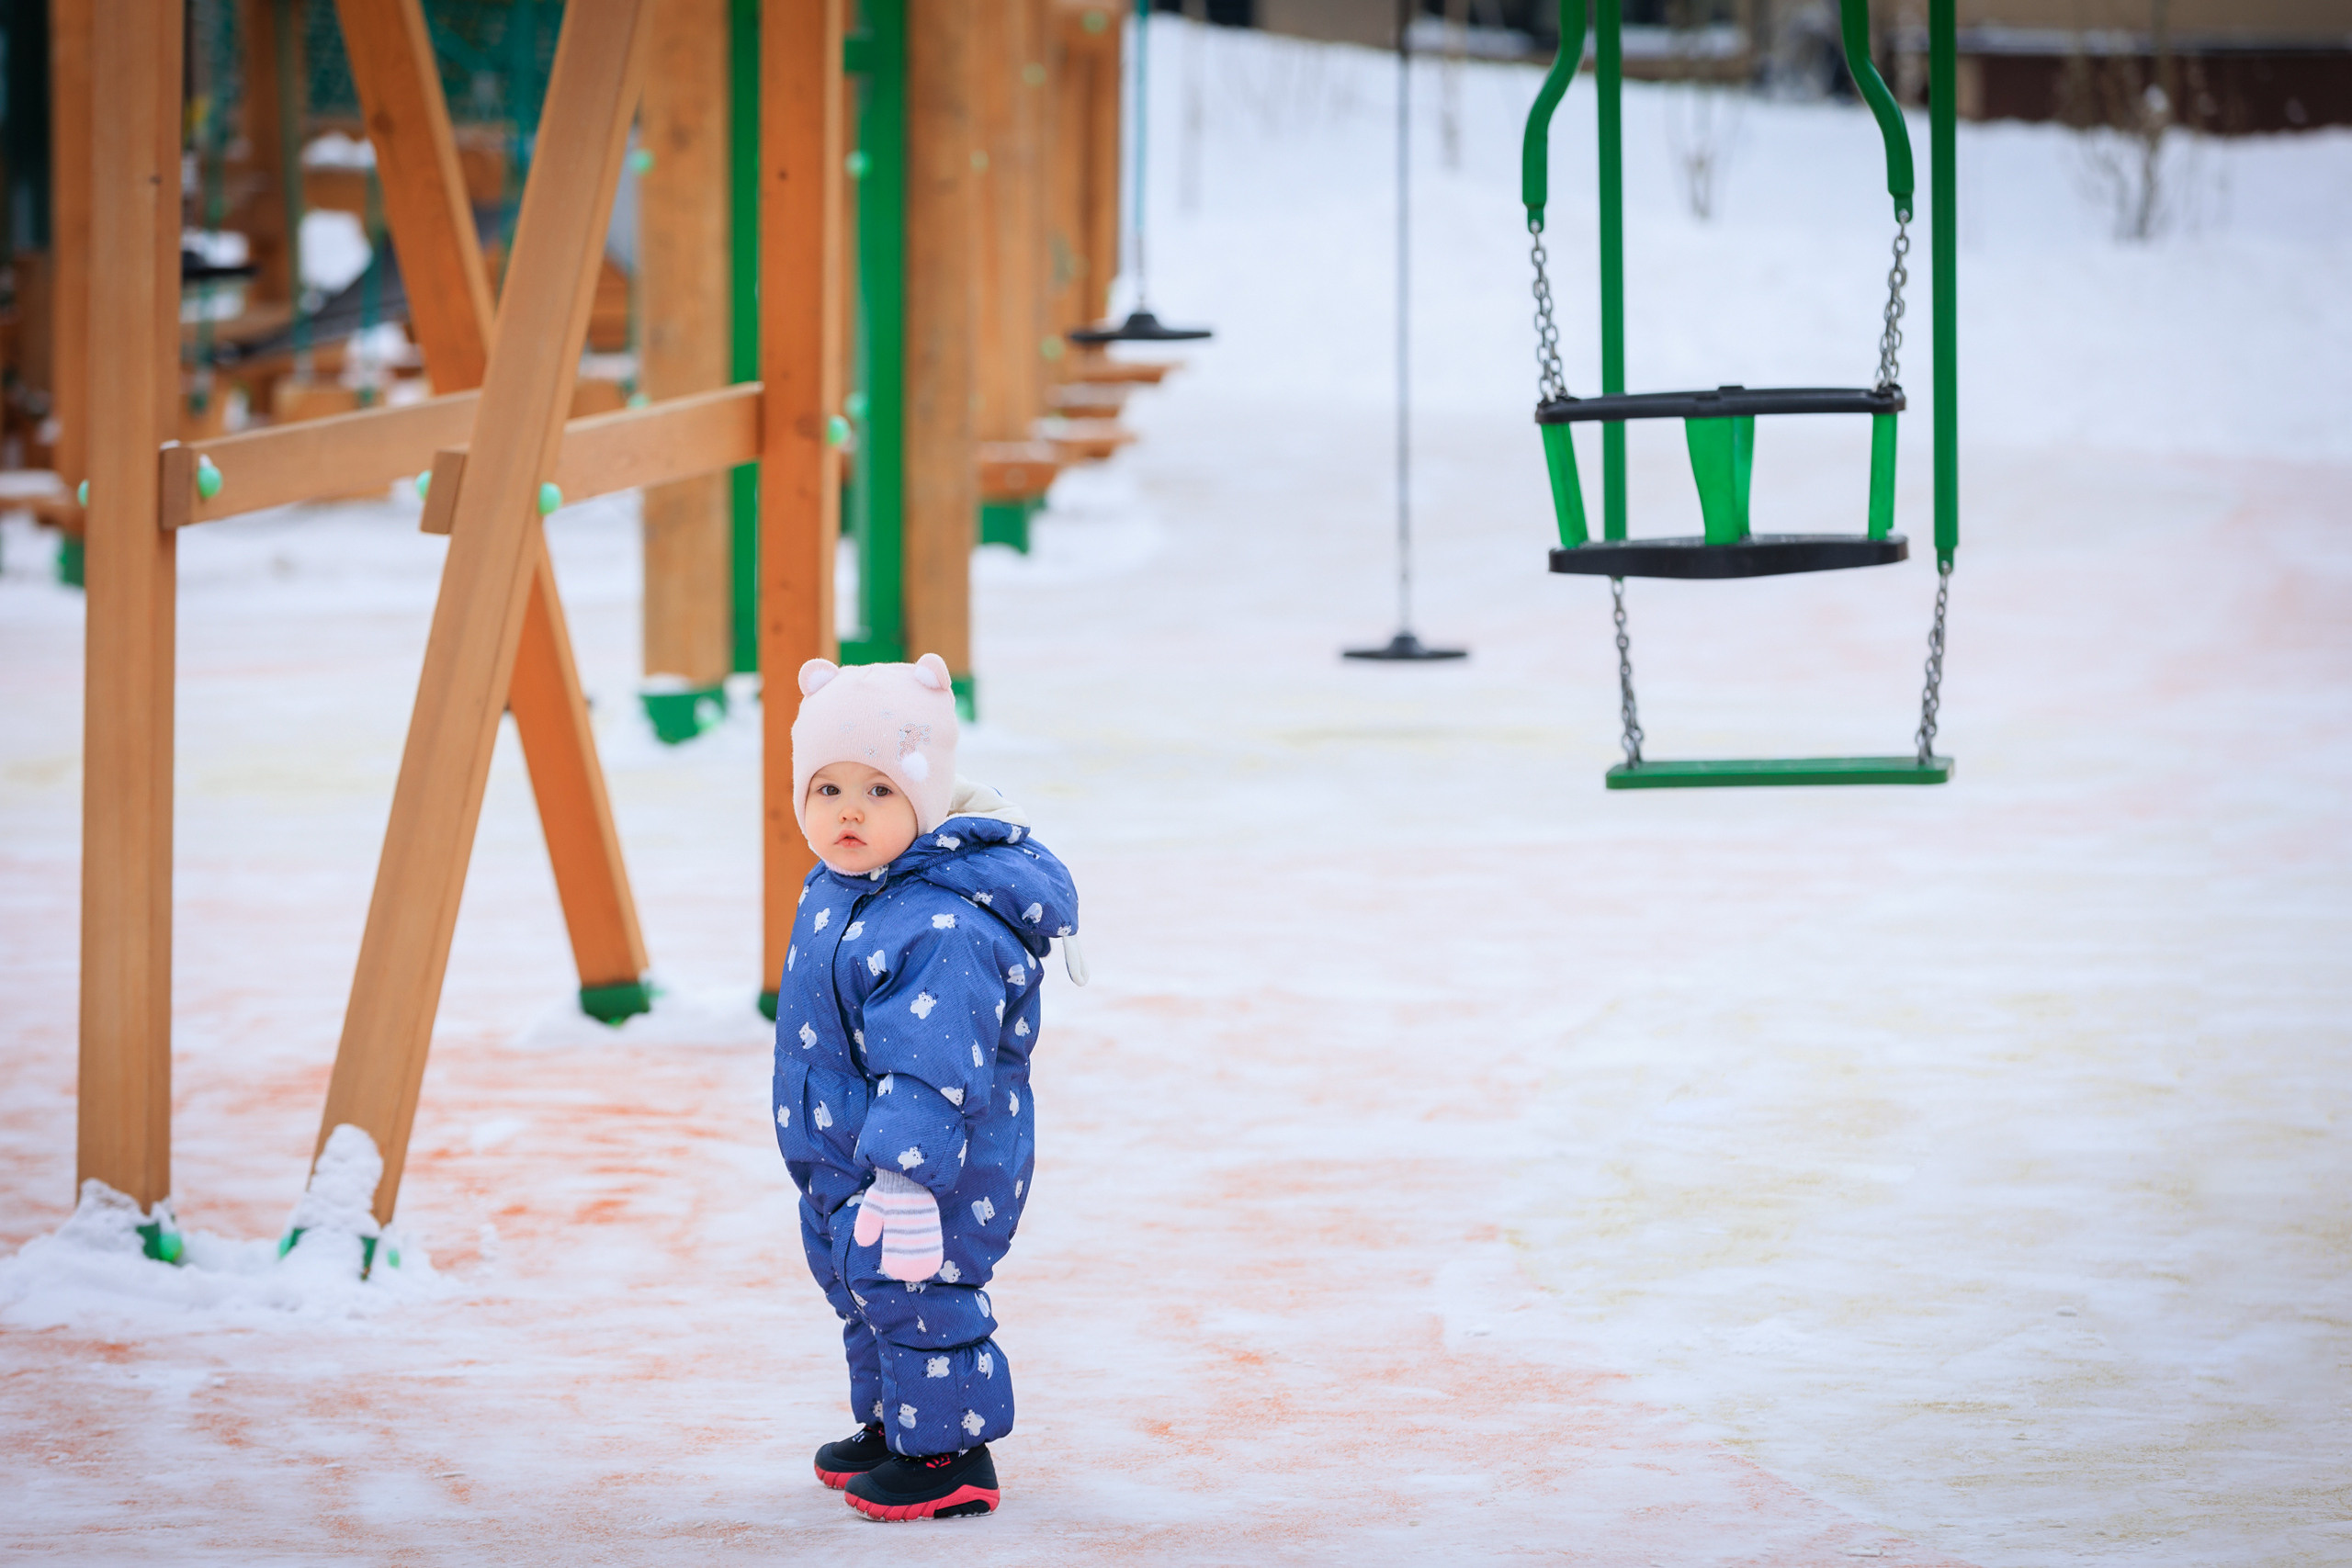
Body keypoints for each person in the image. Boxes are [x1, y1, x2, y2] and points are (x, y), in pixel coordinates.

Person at [775, 653, 1080, 1521]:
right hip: (843, 1147)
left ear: (927, 797)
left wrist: (906, 1178)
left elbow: (933, 1066)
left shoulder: (944, 920)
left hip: (932, 1165)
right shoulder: (841, 889)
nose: (847, 813)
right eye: (826, 789)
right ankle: (892, 1423)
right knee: (860, 1283)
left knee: (919, 1288)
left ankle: (948, 1452)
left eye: (877, 791)